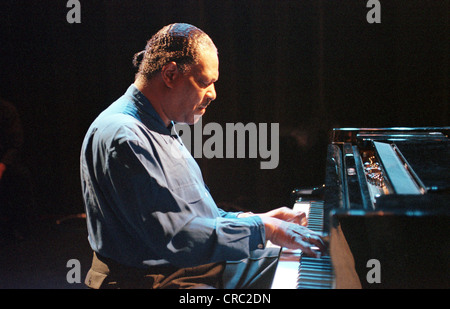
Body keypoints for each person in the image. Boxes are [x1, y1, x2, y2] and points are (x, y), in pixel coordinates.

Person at [80, 23, 325, 289]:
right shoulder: (125, 136)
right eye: (204, 82)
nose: (213, 94)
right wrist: (264, 229)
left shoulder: (159, 124)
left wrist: (252, 220)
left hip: (189, 266)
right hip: (156, 279)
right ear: (170, 74)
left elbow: (193, 216)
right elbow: (177, 237)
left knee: (314, 262)